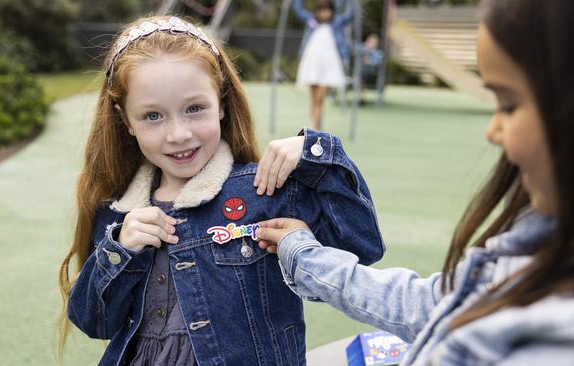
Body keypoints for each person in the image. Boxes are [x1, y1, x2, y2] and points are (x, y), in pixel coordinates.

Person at [256, 0, 574, 364]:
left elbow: (370, 248)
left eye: (508, 104)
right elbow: (430, 303)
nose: (493, 131)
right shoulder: (541, 241)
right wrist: (303, 252)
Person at [57, 15, 385, 365]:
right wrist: (120, 249)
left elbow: (361, 246)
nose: (178, 134)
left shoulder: (265, 190)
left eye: (194, 108)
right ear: (126, 121)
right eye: (153, 116)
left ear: (222, 104)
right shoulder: (118, 213)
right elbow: (95, 321)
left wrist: (317, 157)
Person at [293, 0, 354, 130]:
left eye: (327, 10)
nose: (324, 13)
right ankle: (316, 126)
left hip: (329, 64)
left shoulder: (337, 23)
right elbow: (298, 10)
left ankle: (315, 127)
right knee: (314, 98)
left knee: (320, 97)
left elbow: (352, 15)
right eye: (321, 10)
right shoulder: (311, 21)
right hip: (313, 63)